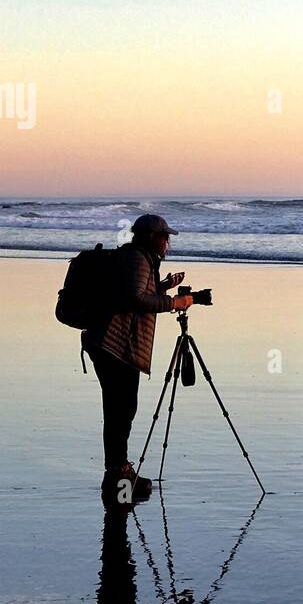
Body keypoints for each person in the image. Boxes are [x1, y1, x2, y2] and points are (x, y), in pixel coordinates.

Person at [83, 214, 199, 505]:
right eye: (164, 237)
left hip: (112, 343)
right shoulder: (138, 259)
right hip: (114, 345)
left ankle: (119, 475)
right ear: (150, 236)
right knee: (120, 409)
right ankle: (118, 477)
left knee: (120, 408)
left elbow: (133, 294)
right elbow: (135, 300)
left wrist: (162, 287)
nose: (167, 242)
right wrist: (176, 302)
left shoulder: (137, 258)